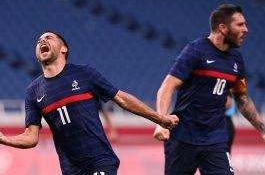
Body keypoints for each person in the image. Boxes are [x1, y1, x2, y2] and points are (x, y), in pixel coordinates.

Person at [0, 31, 179, 175]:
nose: (42, 41)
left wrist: (159, 119)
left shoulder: (84, 74)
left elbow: (121, 99)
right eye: (39, 40)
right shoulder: (33, 91)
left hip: (100, 161)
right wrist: (4, 139)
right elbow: (31, 137)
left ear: (64, 49)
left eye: (48, 38)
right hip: (70, 169)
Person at [153, 4, 265, 175]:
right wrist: (161, 121)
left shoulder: (236, 60)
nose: (246, 29)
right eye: (240, 25)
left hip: (215, 140)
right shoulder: (196, 50)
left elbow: (242, 98)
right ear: (223, 28)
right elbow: (166, 87)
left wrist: (263, 129)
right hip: (183, 138)